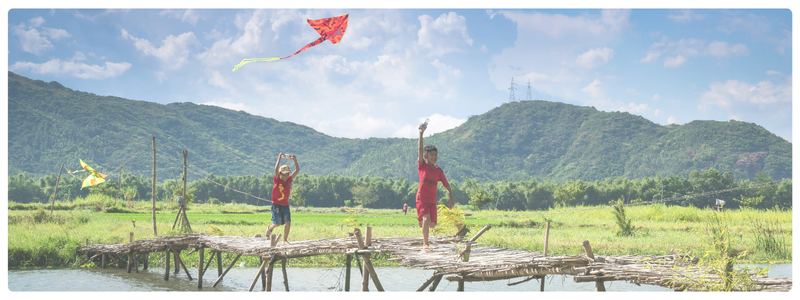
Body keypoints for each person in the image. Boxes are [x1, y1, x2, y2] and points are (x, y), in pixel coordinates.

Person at [415, 122, 454, 252]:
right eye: (431, 155)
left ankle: (422, 221)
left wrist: (451, 198)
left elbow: (446, 185)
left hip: (432, 201)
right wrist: (421, 134)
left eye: (435, 155)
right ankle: (425, 244)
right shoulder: (422, 166)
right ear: (425, 157)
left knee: (432, 224)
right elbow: (420, 150)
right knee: (426, 219)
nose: (434, 157)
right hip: (422, 199)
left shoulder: (439, 171)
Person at [265, 153, 300, 245]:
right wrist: (279, 158)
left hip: (285, 205)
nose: (285, 177)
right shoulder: (277, 180)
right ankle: (270, 228)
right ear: (280, 174)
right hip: (276, 204)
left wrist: (295, 160)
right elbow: (276, 169)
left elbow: (297, 170)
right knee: (278, 223)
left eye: (287, 174)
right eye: (283, 175)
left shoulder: (289, 180)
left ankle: (285, 240)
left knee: (288, 222)